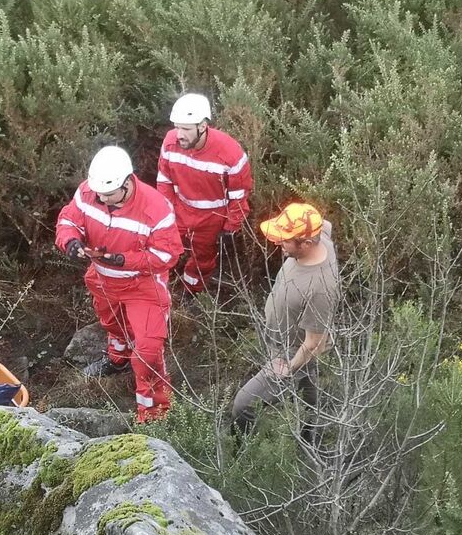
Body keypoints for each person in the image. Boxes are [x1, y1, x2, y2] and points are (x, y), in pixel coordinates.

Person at [55, 145, 183, 422]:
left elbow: (167, 254)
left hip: (144, 286)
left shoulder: (156, 208)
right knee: (112, 323)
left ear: (128, 182)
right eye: (99, 195)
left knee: (148, 351)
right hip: (102, 279)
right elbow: (69, 219)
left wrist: (125, 260)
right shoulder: (90, 192)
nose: (102, 200)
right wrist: (70, 241)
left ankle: (153, 413)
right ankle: (118, 357)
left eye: (109, 195)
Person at [229, 202, 340, 438]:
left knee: (243, 405)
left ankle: (241, 453)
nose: (279, 242)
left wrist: (288, 368)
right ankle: (311, 432)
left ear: (307, 243)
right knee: (311, 391)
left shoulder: (320, 288)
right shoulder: (323, 236)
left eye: (286, 240)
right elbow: (326, 224)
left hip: (290, 352)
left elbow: (314, 344)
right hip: (284, 337)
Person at [157, 93, 252, 295]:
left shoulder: (229, 153)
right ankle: (157, 288)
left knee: (202, 259)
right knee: (161, 247)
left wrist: (230, 227)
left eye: (186, 129)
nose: (179, 134)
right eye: (177, 127)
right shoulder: (170, 142)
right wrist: (166, 212)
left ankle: (191, 292)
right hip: (179, 211)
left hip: (212, 218)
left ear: (202, 126)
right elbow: (164, 180)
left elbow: (239, 196)